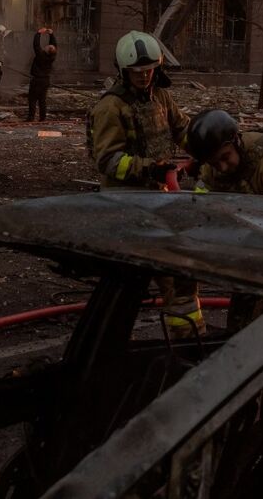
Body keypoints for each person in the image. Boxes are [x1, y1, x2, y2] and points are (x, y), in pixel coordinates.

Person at [86, 30, 200, 337]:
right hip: (123, 205)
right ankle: (104, 347)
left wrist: (205, 148)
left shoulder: (161, 96)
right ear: (124, 71)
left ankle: (188, 339)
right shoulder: (111, 107)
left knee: (177, 274)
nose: (144, 76)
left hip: (157, 200)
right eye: (137, 71)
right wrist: (151, 169)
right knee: (126, 281)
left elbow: (182, 129)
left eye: (149, 70)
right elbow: (108, 161)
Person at [27, 27, 57, 122]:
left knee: (32, 99)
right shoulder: (52, 56)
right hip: (45, 80)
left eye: (48, 46)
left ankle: (31, 117)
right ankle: (42, 118)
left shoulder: (41, 55)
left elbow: (36, 45)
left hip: (37, 80)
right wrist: (51, 35)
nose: (47, 45)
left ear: (47, 50)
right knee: (42, 100)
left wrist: (38, 33)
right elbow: (54, 46)